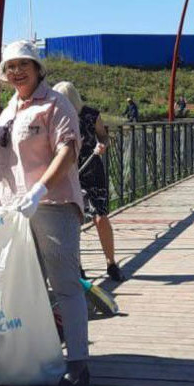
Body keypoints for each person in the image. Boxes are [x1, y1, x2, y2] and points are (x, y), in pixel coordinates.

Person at [0, 40, 90, 386]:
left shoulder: (55, 103)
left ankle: (78, 364)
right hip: (14, 210)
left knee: (64, 283)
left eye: (24, 64)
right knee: (28, 285)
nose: (17, 71)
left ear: (37, 69)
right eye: (11, 66)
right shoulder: (10, 109)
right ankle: (37, 355)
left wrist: (39, 190)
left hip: (52, 204)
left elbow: (68, 149)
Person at [53, 81, 124, 283]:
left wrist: (102, 146)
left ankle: (111, 263)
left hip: (92, 169)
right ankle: (77, 266)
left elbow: (104, 137)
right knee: (72, 219)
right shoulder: (55, 117)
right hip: (68, 171)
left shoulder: (91, 115)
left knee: (100, 216)